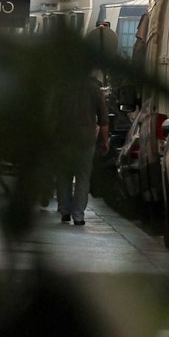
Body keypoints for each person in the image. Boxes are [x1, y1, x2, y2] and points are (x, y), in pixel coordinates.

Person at [57, 68, 109, 225]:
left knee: (63, 175)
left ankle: (65, 211)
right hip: (85, 140)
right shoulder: (94, 89)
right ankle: (78, 215)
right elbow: (104, 120)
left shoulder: (62, 87)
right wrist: (105, 141)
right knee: (83, 176)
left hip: (63, 138)